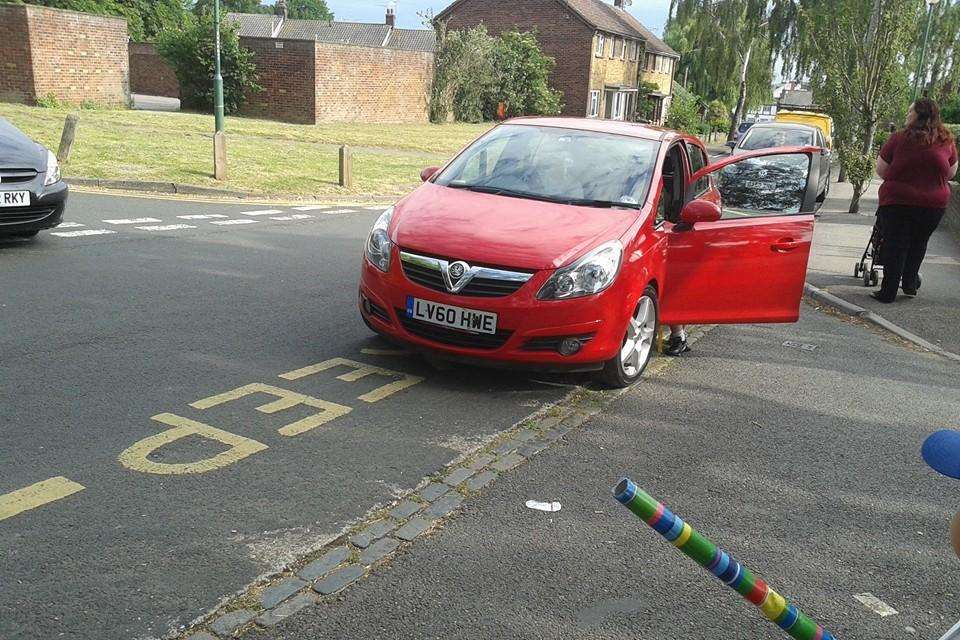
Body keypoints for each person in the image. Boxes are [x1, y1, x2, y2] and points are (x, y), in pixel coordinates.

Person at [873, 99, 958, 303]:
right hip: (932, 205)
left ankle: (888, 291)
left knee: (896, 245)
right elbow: (952, 173)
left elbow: (881, 170)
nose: (906, 115)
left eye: (910, 111)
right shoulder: (946, 142)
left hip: (898, 202)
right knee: (919, 243)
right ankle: (909, 283)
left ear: (920, 115)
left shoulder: (898, 139)